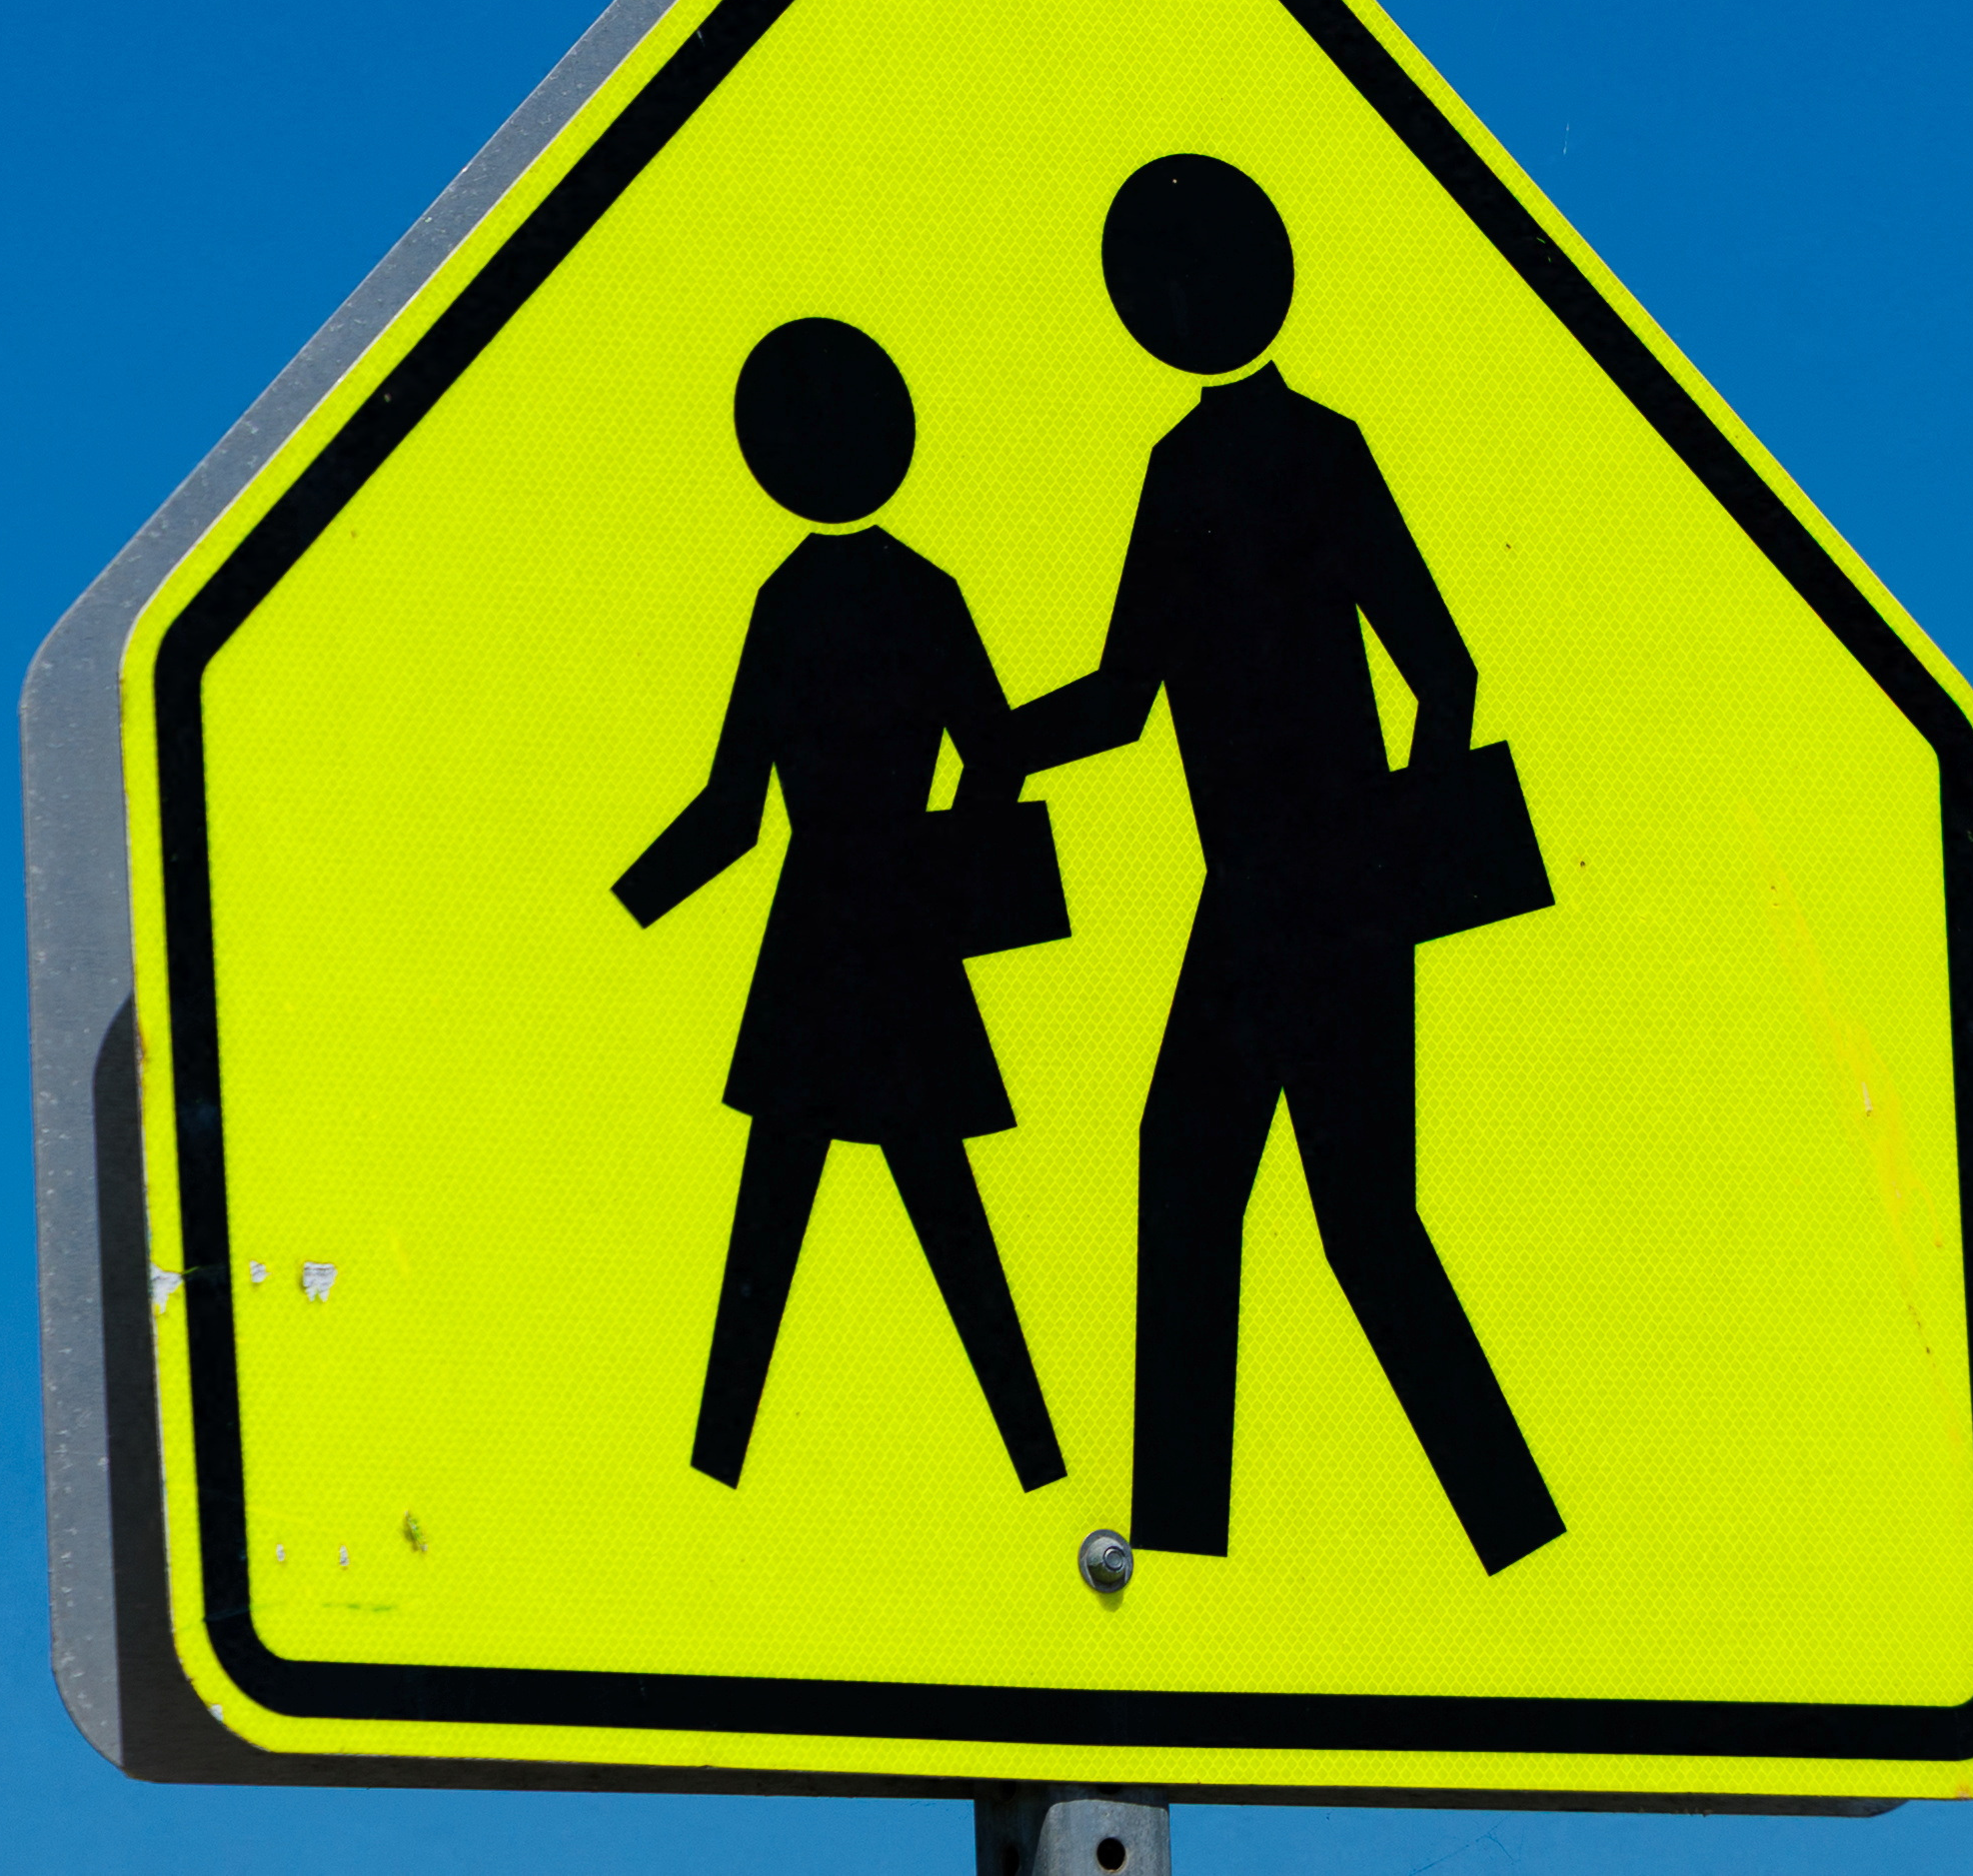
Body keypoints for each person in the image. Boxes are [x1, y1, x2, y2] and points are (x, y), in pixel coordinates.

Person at [1005, 157, 1563, 1571]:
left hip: (1298, 894)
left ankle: (1491, 1533)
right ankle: (1218, 1548)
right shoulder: (1243, 458)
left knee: (1298, 1208)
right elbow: (1145, 695)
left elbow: (1427, 665)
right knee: (1266, 1197)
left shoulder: (1261, 458)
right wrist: (1003, 742)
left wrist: (1397, 857)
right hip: (1287, 895)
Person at [614, 316, 1065, 1493]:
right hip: (900, 926)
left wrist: (630, 906)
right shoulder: (927, 590)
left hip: (821, 933)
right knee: (936, 1208)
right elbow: (998, 752)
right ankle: (1035, 1459)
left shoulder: (789, 599)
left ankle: (717, 1465)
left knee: (779, 1219)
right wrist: (947, 864)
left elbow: (734, 810)